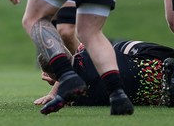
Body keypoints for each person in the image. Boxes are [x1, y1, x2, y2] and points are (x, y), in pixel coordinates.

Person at [36, 35, 174, 107]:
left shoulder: (75, 99)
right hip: (151, 65)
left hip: (151, 95)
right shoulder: (88, 51)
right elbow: (68, 37)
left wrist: (56, 89)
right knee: (121, 47)